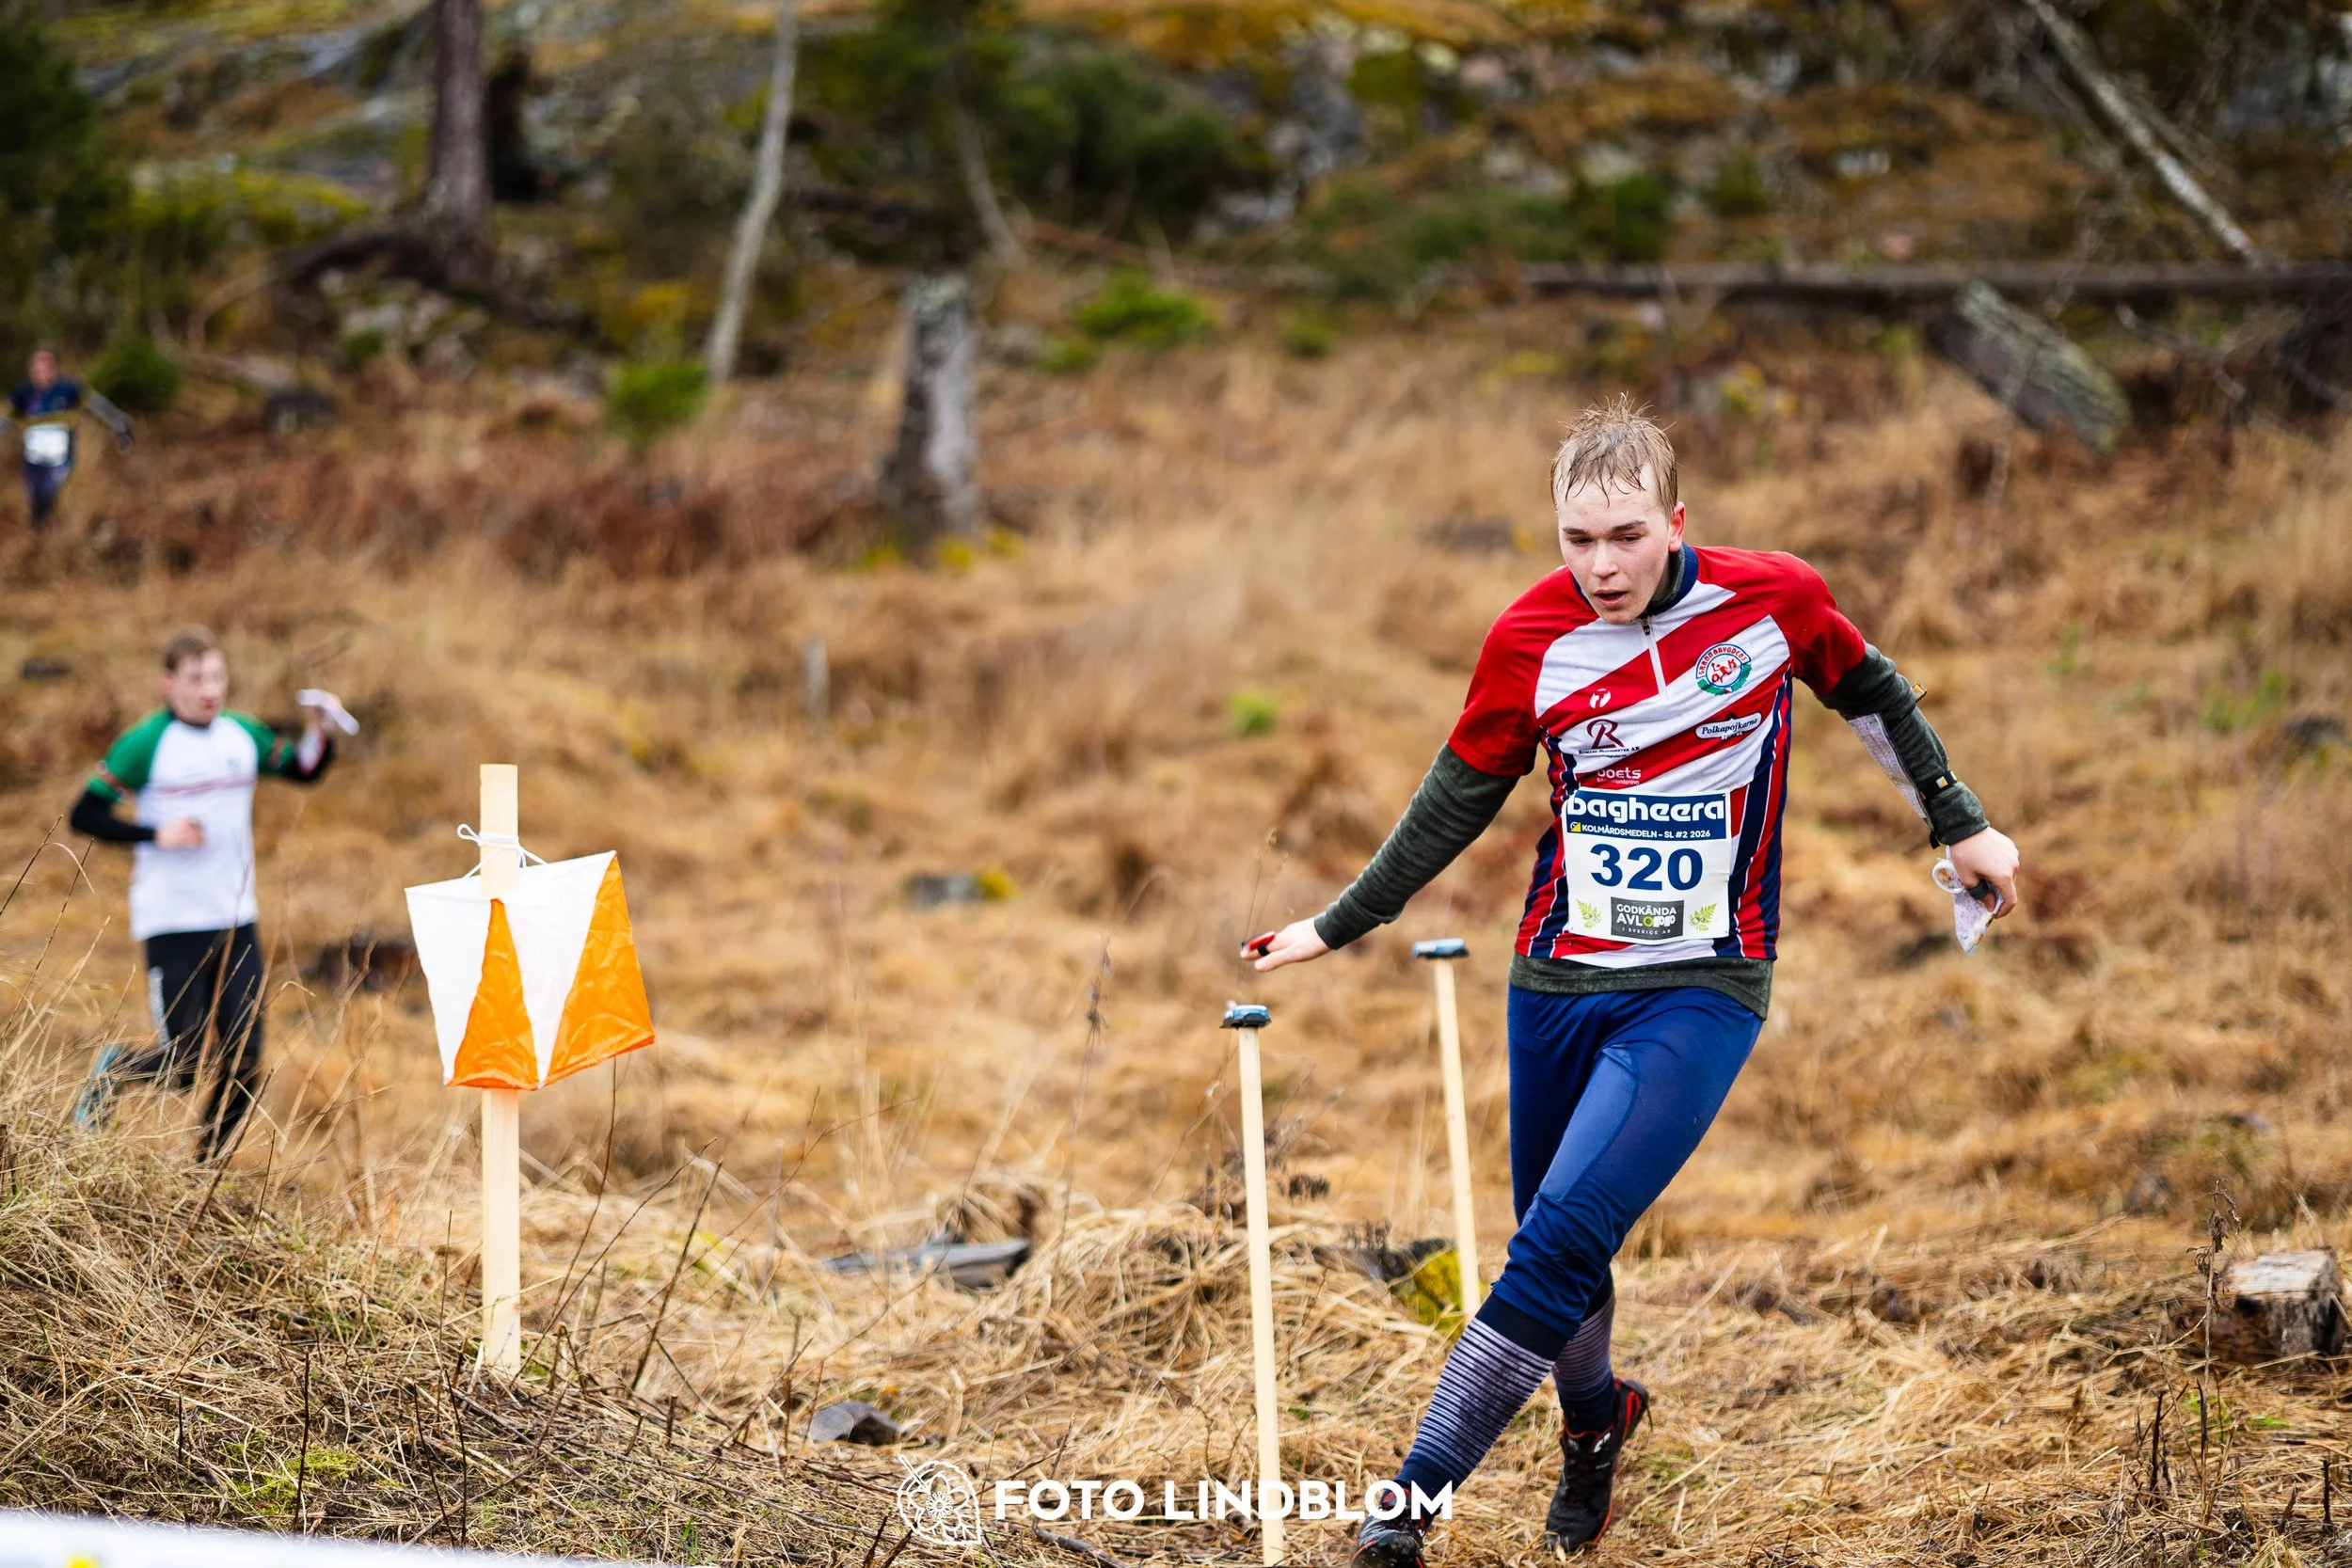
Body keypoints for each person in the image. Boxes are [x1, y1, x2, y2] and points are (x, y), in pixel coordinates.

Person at [1246, 400, 2021, 1562]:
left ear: (1675, 521)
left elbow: (1872, 692)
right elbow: (1458, 791)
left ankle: (1400, 1516)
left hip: (1703, 980)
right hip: (1556, 975)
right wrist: (1341, 921)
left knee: (1554, 1240)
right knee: (1559, 1242)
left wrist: (1959, 823)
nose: (1601, 566)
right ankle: (1597, 1418)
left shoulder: (1773, 599)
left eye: (1625, 536)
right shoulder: (1529, 639)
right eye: (1576, 539)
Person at [69, 628, 342, 1162]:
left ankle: (201, 1170)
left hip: (236, 917)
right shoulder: (147, 743)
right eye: (196, 679)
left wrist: (322, 732)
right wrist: (155, 834)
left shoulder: (242, 733)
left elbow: (304, 770)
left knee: (247, 1060)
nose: (209, 690)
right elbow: (86, 813)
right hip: (171, 919)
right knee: (184, 1064)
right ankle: (114, 1069)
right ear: (169, 682)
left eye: (217, 677)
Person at [7, 345, 133, 531]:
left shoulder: (69, 389)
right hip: (33, 458)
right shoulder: (23, 393)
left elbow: (99, 407)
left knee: (53, 493)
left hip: (60, 457)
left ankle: (59, 536)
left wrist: (121, 425)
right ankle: (39, 540)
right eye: (35, 367)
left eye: (44, 367)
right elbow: (7, 420)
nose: (39, 372)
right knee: (36, 501)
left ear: (53, 367)